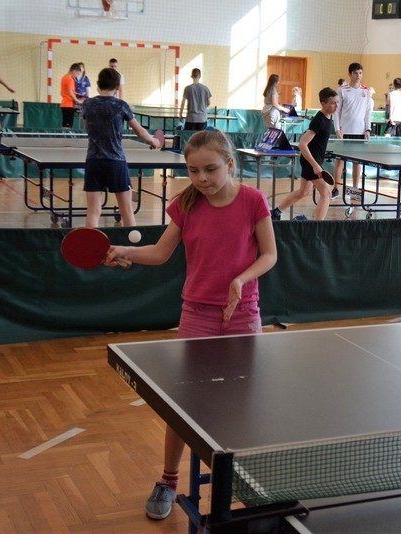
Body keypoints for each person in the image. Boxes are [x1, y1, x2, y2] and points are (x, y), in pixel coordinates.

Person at [104, 129, 277, 521]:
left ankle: (244, 477)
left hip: (242, 313)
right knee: (184, 405)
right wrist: (125, 250)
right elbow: (160, 253)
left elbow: (269, 255)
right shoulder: (186, 203)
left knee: (243, 402)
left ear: (230, 164)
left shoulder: (253, 201)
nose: (201, 178)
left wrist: (241, 279)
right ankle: (168, 479)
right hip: (197, 314)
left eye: (210, 169)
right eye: (193, 170)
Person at [81, 67, 161, 228]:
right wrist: (153, 141)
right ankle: (130, 242)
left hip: (94, 162)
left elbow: (86, 127)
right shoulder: (121, 105)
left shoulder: (88, 104)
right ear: (117, 86)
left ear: (97, 84)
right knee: (126, 210)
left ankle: (90, 243)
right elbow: (139, 131)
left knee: (93, 211)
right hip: (115, 162)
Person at [271, 87, 338, 221]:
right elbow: (303, 144)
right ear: (323, 103)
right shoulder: (319, 120)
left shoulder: (329, 117)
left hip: (314, 161)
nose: (336, 105)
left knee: (303, 192)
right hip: (310, 161)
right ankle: (317, 227)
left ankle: (276, 212)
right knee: (326, 193)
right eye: (332, 103)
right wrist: (315, 165)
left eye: (337, 102)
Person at [332, 63, 372, 198]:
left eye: (360, 73)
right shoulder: (341, 90)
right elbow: (336, 112)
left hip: (359, 133)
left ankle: (355, 191)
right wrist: (337, 129)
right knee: (340, 161)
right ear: (349, 74)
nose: (358, 76)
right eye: (355, 73)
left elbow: (368, 112)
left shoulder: (366, 91)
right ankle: (335, 189)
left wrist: (368, 129)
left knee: (357, 162)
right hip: (344, 132)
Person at [60, 64, 82, 129]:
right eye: (77, 74)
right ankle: (66, 135)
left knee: (65, 124)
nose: (76, 76)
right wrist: (77, 100)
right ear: (74, 71)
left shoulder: (64, 77)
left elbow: (63, 91)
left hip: (64, 104)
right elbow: (70, 92)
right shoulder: (70, 79)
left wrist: (75, 93)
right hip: (68, 105)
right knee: (68, 126)